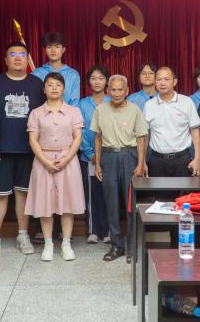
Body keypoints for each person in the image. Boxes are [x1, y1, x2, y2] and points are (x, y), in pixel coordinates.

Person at [0, 43, 45, 257]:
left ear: (28, 59)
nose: (17, 58)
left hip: (29, 151)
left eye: (22, 54)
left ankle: (23, 235)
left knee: (23, 193)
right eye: (13, 54)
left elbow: (45, 115)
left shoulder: (37, 84)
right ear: (6, 59)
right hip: (0, 150)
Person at [25, 73, 85, 261]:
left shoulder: (74, 111)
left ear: (63, 89)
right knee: (45, 204)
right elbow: (33, 140)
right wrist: (45, 161)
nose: (54, 88)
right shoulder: (36, 113)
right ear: (44, 89)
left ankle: (66, 243)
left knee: (67, 203)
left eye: (58, 85)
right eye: (50, 85)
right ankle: (48, 244)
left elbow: (77, 138)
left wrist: (66, 159)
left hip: (68, 159)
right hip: (43, 160)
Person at [91, 75, 147, 262]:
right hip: (108, 157)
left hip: (129, 156)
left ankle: (131, 247)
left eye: (120, 90)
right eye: (113, 90)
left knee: (130, 204)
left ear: (127, 91)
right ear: (108, 91)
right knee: (111, 203)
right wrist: (98, 163)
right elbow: (97, 138)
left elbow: (141, 138)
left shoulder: (134, 110)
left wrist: (140, 163)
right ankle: (117, 246)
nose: (116, 93)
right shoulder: (100, 110)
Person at [144, 67, 200, 177]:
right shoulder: (149, 105)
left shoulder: (187, 102)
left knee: (184, 189)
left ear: (174, 82)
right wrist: (142, 162)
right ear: (155, 82)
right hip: (157, 161)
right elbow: (145, 135)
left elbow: (195, 132)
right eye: (159, 79)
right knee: (158, 189)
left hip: (182, 160)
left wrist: (197, 159)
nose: (162, 83)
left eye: (166, 79)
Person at [78, 65, 110, 244]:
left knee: (109, 194)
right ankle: (93, 230)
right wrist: (90, 153)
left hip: (110, 157)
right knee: (91, 195)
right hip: (89, 157)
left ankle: (108, 231)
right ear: (88, 82)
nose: (97, 82)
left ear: (106, 81)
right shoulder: (82, 104)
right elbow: (80, 131)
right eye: (93, 78)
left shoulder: (113, 101)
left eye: (101, 78)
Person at [32, 31, 80, 106]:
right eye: (49, 47)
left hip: (67, 113)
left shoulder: (73, 74)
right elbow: (33, 100)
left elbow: (74, 103)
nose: (53, 50)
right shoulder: (36, 74)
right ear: (45, 50)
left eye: (57, 47)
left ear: (63, 49)